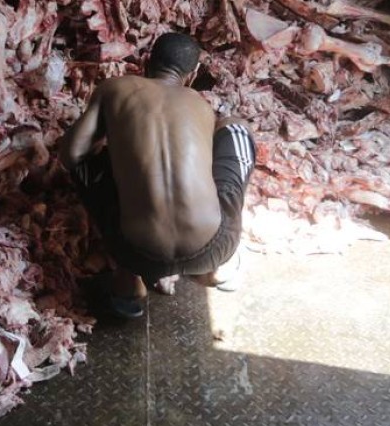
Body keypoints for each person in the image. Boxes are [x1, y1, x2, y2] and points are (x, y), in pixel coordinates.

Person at [59, 33, 256, 318]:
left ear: (146, 61)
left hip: (134, 252)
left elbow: (70, 156)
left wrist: (113, 148)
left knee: (85, 166)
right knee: (236, 128)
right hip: (213, 247)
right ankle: (213, 272)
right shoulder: (199, 104)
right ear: (192, 74)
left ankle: (128, 281)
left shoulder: (115, 88)